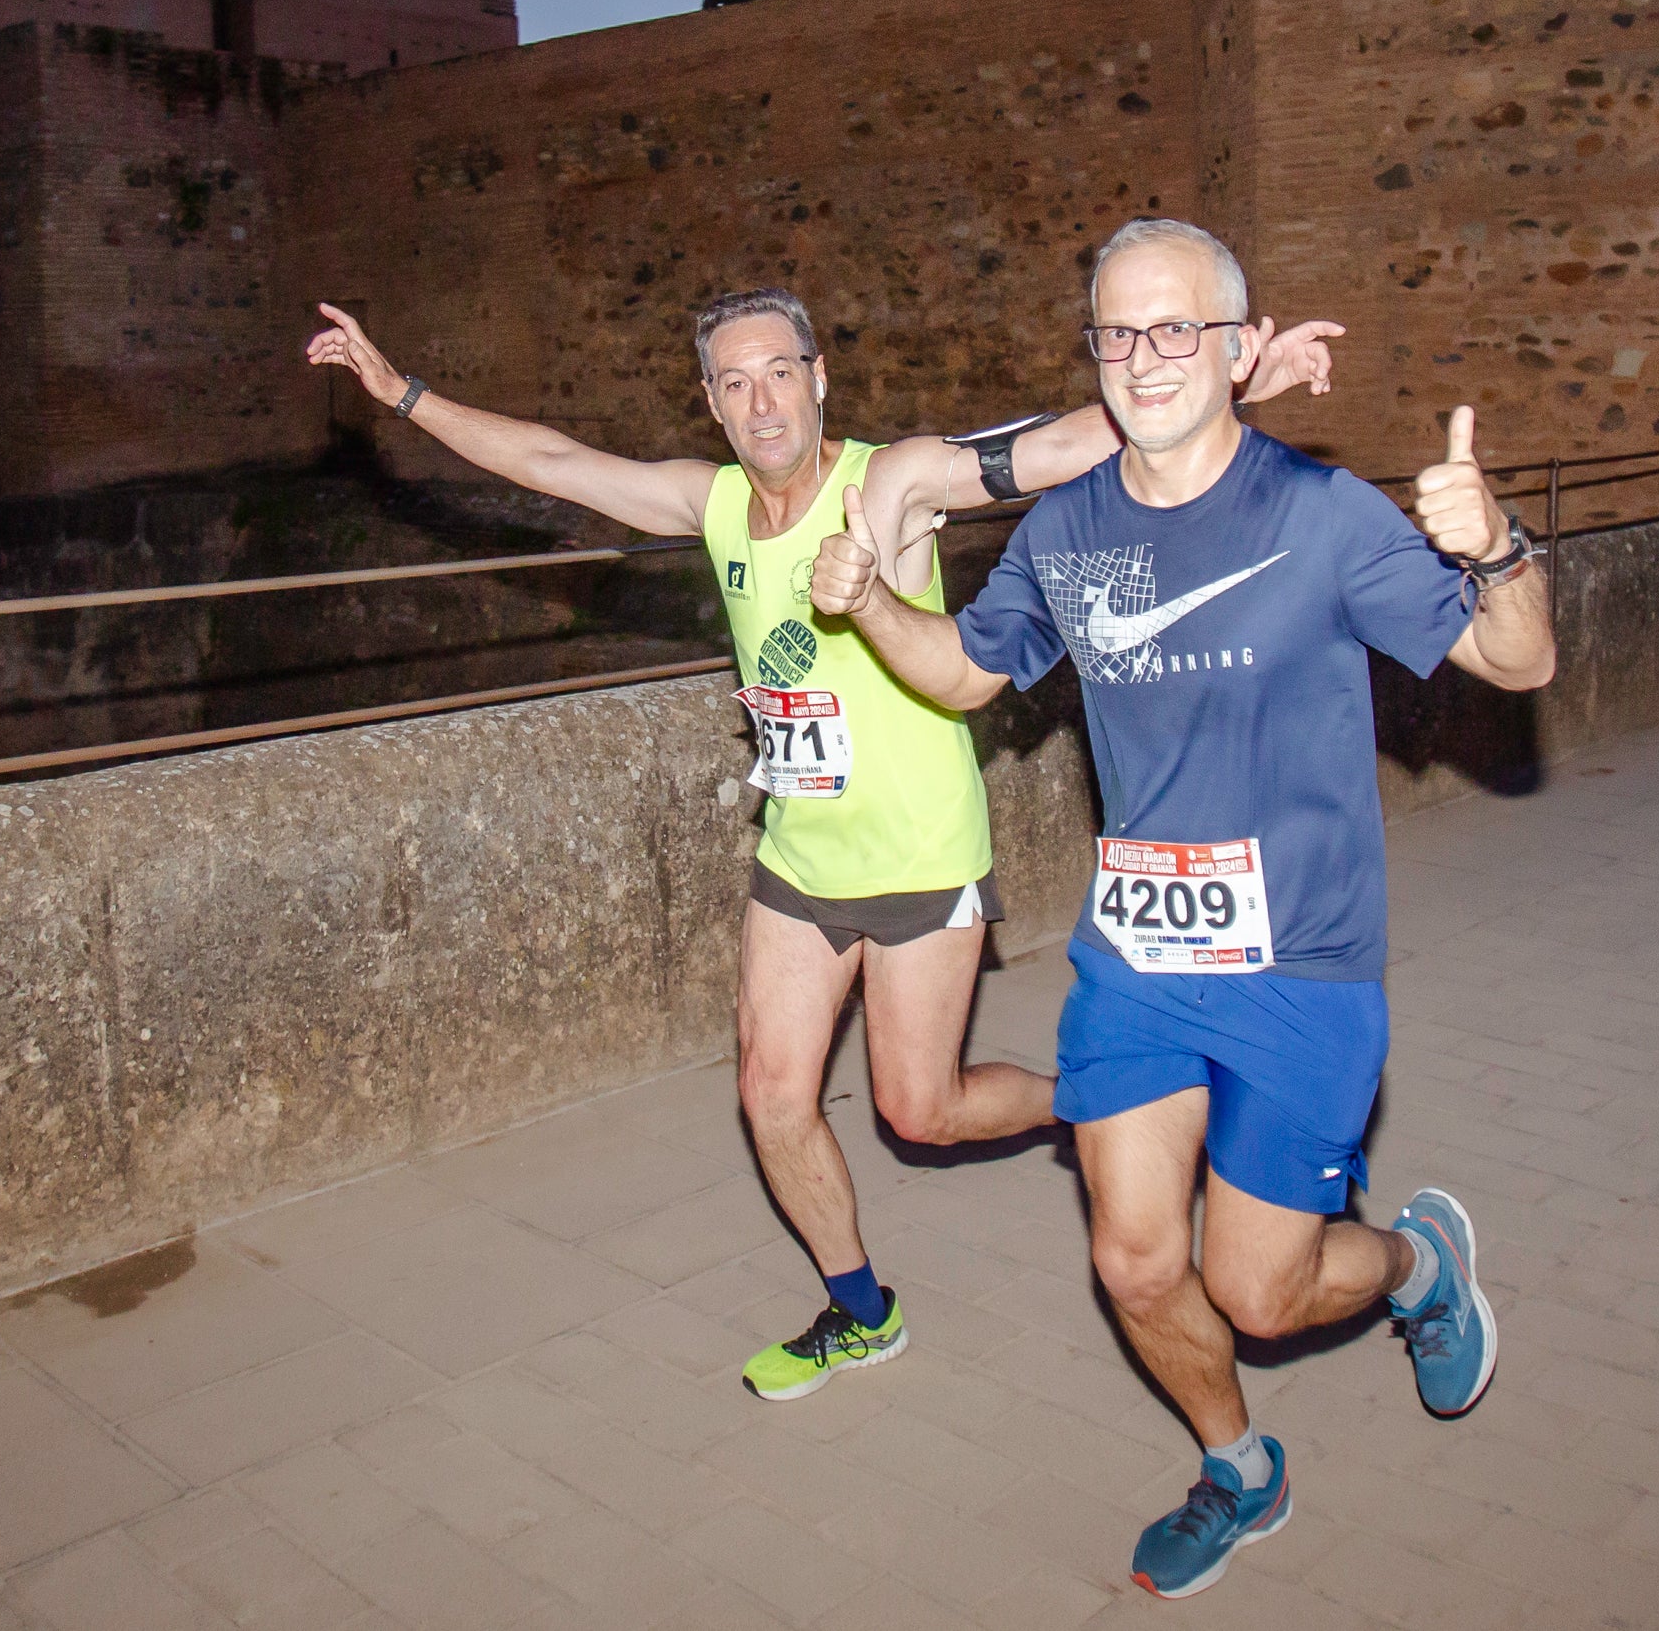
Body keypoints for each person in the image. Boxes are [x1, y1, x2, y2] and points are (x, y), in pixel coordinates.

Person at [301, 286, 1341, 1401]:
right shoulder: (705, 504)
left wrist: (1218, 388)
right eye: (735, 381)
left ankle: (1108, 1097)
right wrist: (401, 393)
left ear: (818, 376)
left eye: (779, 371)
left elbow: (1041, 449)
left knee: (918, 1110)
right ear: (709, 401)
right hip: (798, 853)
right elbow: (550, 460)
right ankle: (859, 1310)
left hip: (915, 853)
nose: (762, 400)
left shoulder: (888, 481)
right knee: (770, 1090)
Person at [810, 217, 1552, 1599]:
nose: (1144, 358)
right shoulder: (1069, 527)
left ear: (1235, 348)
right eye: (1117, 332)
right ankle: (1239, 1469)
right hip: (1141, 958)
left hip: (1304, 964)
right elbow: (971, 675)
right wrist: (864, 611)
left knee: (1261, 1294)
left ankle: (1414, 1265)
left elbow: (1520, 661)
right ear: (1092, 354)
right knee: (1139, 1260)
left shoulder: (1321, 515)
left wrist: (1497, 546)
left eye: (1174, 329)